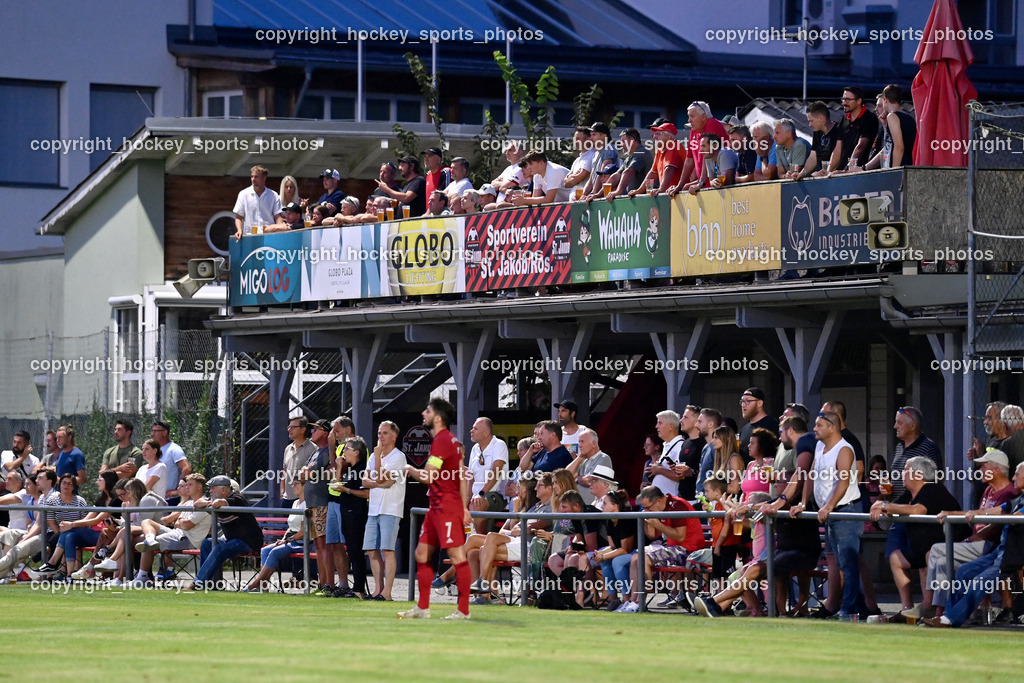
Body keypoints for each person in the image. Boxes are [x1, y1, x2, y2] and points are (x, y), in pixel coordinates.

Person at [922, 461, 1024, 628]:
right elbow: (997, 510)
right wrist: (967, 513)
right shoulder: (1016, 499)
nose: (1013, 477)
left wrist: (1006, 518)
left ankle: (951, 619)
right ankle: (948, 615)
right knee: (963, 571)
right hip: (1001, 550)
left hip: (1015, 554)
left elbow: (1016, 518)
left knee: (980, 581)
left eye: (1017, 475)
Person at [399, 397, 472, 619]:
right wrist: (465, 508)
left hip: (446, 507)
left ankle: (463, 610)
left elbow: (429, 476)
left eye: (428, 411)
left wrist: (409, 469)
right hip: (437, 506)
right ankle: (423, 608)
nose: (423, 413)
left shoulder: (442, 441)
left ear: (437, 418)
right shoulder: (451, 441)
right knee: (421, 553)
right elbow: (460, 477)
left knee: (457, 555)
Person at [790, 410, 864, 619]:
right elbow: (810, 474)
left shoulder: (844, 449)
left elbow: (843, 481)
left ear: (833, 427)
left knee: (848, 563)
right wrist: (804, 503)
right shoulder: (820, 446)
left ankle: (850, 609)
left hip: (846, 511)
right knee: (838, 562)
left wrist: (829, 505)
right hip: (830, 513)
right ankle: (848, 606)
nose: (814, 429)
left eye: (819, 425)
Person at [870, 456, 965, 618]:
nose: (902, 474)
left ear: (919, 475)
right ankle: (907, 608)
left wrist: (885, 506)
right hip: (924, 545)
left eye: (906, 471)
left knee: (929, 556)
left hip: (951, 545)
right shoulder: (910, 493)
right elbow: (895, 507)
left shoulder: (932, 488)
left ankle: (928, 607)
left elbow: (917, 510)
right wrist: (881, 503)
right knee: (896, 558)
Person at [617, 486, 705, 613]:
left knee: (643, 559)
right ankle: (632, 601)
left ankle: (639, 603)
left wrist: (658, 524)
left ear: (658, 500)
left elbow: (680, 537)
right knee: (636, 558)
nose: (647, 510)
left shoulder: (677, 505)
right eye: (644, 508)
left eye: (648, 507)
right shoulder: (659, 507)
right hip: (673, 548)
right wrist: (648, 522)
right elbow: (653, 535)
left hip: (689, 550)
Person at [187, 475, 262, 591]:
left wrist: (205, 503)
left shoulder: (237, 499)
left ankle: (198, 584)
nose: (210, 491)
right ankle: (209, 583)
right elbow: (204, 502)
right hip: (232, 539)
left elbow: (218, 503)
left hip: (248, 541)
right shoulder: (215, 501)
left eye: (213, 488)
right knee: (207, 543)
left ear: (223, 490)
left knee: (219, 549)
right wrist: (204, 503)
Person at [134, 473, 212, 584]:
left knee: (145, 544)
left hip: (188, 539)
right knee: (147, 522)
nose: (186, 487)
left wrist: (181, 522)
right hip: (179, 533)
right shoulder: (189, 502)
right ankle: (150, 538)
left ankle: (141, 578)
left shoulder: (204, 503)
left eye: (190, 485)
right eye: (186, 485)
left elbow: (186, 524)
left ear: (199, 487)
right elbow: (176, 524)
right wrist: (181, 522)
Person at [362, 422, 407, 601]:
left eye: (385, 433)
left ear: (394, 436)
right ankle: (377, 589)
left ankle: (387, 592)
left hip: (390, 508)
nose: (380, 436)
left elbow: (380, 476)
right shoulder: (373, 455)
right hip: (373, 508)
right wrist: (378, 483)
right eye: (379, 433)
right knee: (372, 550)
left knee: (387, 550)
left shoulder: (398, 457)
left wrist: (379, 459)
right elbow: (365, 481)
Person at [329, 436, 370, 598]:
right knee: (351, 551)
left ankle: (359, 589)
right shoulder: (350, 469)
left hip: (356, 514)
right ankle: (355, 588)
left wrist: (347, 491)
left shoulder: (362, 470)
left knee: (356, 551)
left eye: (347, 449)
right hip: (346, 513)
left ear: (356, 452)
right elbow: (336, 485)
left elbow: (367, 493)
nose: (344, 451)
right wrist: (339, 467)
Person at [247, 480, 305, 592]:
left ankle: (255, 583)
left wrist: (288, 540)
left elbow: (304, 531)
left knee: (275, 552)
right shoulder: (295, 503)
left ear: (305, 486)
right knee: (265, 550)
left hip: (300, 542)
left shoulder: (307, 504)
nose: (293, 486)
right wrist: (284, 539)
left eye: (296, 484)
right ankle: (263, 586)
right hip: (290, 540)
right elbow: (291, 526)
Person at [301, 419, 335, 594]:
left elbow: (312, 472)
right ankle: (323, 584)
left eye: (316, 429)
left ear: (325, 432)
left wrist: (308, 473)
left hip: (322, 502)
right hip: (312, 504)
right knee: (318, 544)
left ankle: (328, 584)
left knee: (324, 545)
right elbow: (301, 474)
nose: (312, 431)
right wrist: (306, 473)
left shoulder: (327, 451)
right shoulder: (314, 452)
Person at [596, 491, 637, 612]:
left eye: (604, 503)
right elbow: (613, 547)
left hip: (638, 552)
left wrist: (605, 556)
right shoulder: (609, 520)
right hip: (624, 552)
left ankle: (627, 599)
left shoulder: (625, 519)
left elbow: (625, 549)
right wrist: (601, 554)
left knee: (617, 561)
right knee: (605, 561)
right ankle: (613, 599)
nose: (602, 506)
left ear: (615, 506)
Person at [467, 417, 509, 534]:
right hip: (477, 496)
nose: (471, 431)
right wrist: (467, 499)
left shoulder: (499, 444)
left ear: (486, 433)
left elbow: (496, 472)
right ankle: (471, 543)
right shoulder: (475, 449)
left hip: (496, 494)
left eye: (475, 428)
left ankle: (480, 540)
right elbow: (471, 478)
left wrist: (481, 494)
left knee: (477, 505)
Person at [676, 101, 730, 188]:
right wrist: (679, 185)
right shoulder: (694, 130)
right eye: (688, 116)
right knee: (685, 187)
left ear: (703, 116)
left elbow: (708, 156)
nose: (689, 120)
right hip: (707, 180)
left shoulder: (712, 123)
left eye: (692, 116)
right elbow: (689, 160)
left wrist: (701, 182)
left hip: (718, 181)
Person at [863, 84, 917, 170]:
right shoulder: (909, 118)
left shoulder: (892, 116)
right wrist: (885, 126)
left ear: (886, 100)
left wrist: (894, 171)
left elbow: (899, 146)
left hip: (900, 168)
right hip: (909, 166)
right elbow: (889, 143)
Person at [599, 127, 652, 201]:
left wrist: (618, 191)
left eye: (623, 141)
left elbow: (629, 171)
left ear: (633, 141)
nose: (621, 144)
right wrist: (598, 194)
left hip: (647, 200)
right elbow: (616, 175)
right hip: (638, 199)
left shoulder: (642, 152)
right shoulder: (630, 156)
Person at [631, 121, 683, 197]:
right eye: (654, 134)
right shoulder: (661, 149)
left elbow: (669, 169)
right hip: (671, 194)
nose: (654, 136)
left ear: (669, 137)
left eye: (658, 134)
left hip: (679, 194)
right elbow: (653, 173)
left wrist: (661, 189)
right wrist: (639, 190)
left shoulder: (673, 146)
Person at [232, 165, 285, 239]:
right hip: (250, 237)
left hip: (269, 237)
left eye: (256, 177)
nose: (253, 179)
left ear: (264, 178)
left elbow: (278, 216)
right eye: (252, 176)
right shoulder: (243, 194)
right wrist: (239, 230)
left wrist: (280, 228)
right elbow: (238, 217)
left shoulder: (273, 195)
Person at [836, 86, 879, 171]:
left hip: (861, 170)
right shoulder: (843, 119)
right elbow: (838, 148)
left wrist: (849, 168)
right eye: (843, 99)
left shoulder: (869, 118)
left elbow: (861, 146)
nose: (844, 103)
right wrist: (829, 170)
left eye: (847, 99)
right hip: (845, 169)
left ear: (859, 101)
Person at [566, 428, 612, 505]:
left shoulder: (603, 458)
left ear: (594, 444)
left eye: (582, 442)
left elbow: (589, 481)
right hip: (580, 507)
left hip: (593, 508)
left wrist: (577, 478)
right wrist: (579, 458)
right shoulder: (583, 461)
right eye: (579, 442)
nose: (579, 445)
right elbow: (566, 476)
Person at [799, 101, 845, 178]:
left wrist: (827, 171)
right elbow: (813, 157)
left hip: (837, 176)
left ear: (821, 118)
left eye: (811, 121)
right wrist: (802, 173)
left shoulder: (839, 129)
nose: (810, 125)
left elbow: (839, 155)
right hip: (824, 175)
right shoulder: (817, 132)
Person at [151, 421, 190, 505]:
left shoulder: (174, 449)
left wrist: (178, 489)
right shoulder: (155, 450)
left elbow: (186, 468)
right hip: (155, 498)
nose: (153, 434)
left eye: (156, 431)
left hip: (169, 499)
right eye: (152, 431)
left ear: (165, 432)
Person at [281, 416, 316, 508]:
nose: (289, 429)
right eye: (289, 427)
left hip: (303, 499)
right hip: (286, 498)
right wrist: (282, 491)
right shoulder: (288, 448)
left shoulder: (312, 448)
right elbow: (284, 471)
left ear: (303, 429)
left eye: (293, 427)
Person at [673, 405, 706, 500]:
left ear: (697, 421)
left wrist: (691, 472)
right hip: (683, 496)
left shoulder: (704, 444)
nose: (681, 420)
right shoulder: (685, 442)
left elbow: (710, 471)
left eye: (685, 417)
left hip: (698, 499)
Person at [648, 410, 683, 497]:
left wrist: (659, 470)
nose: (656, 426)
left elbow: (680, 476)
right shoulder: (667, 445)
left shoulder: (680, 446)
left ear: (671, 426)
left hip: (670, 501)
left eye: (660, 423)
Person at [739, 387, 778, 461]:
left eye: (748, 401)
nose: (743, 405)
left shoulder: (772, 425)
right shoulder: (744, 429)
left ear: (759, 403)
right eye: (742, 401)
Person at [695, 408, 723, 495]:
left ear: (710, 424)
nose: (696, 425)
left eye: (700, 422)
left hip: (711, 500)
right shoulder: (706, 448)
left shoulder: (717, 449)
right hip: (702, 498)